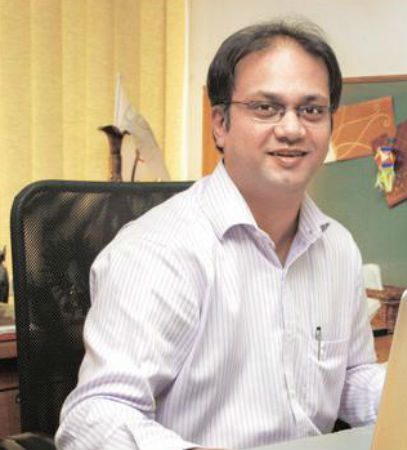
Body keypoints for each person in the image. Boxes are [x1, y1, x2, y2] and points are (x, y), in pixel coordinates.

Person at [56, 19, 385, 450]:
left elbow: (350, 379)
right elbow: (94, 416)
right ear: (220, 125)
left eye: (312, 110)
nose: (292, 129)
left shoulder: (336, 247)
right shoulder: (158, 250)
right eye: (266, 107)